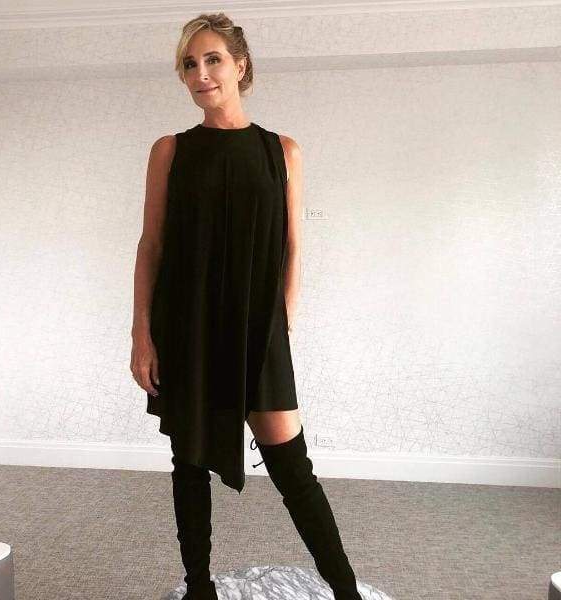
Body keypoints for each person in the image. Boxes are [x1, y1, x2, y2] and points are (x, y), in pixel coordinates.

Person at [130, 12, 362, 600]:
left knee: (294, 469)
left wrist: (280, 326)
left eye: (212, 60)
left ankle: (346, 590)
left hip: (260, 328)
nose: (200, 74)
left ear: (240, 65)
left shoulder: (281, 151)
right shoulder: (170, 151)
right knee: (189, 465)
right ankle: (199, 587)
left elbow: (292, 248)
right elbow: (150, 247)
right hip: (188, 326)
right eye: (189, 64)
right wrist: (142, 336)